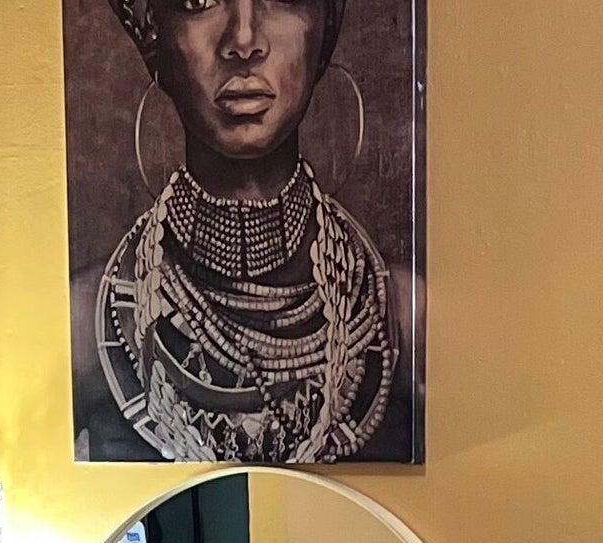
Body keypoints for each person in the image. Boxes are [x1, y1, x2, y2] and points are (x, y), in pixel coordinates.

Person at [82, 0, 411, 464]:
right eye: (198, 1)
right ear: (154, 36)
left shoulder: (399, 315)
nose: (243, 41)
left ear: (328, 27)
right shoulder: (88, 322)